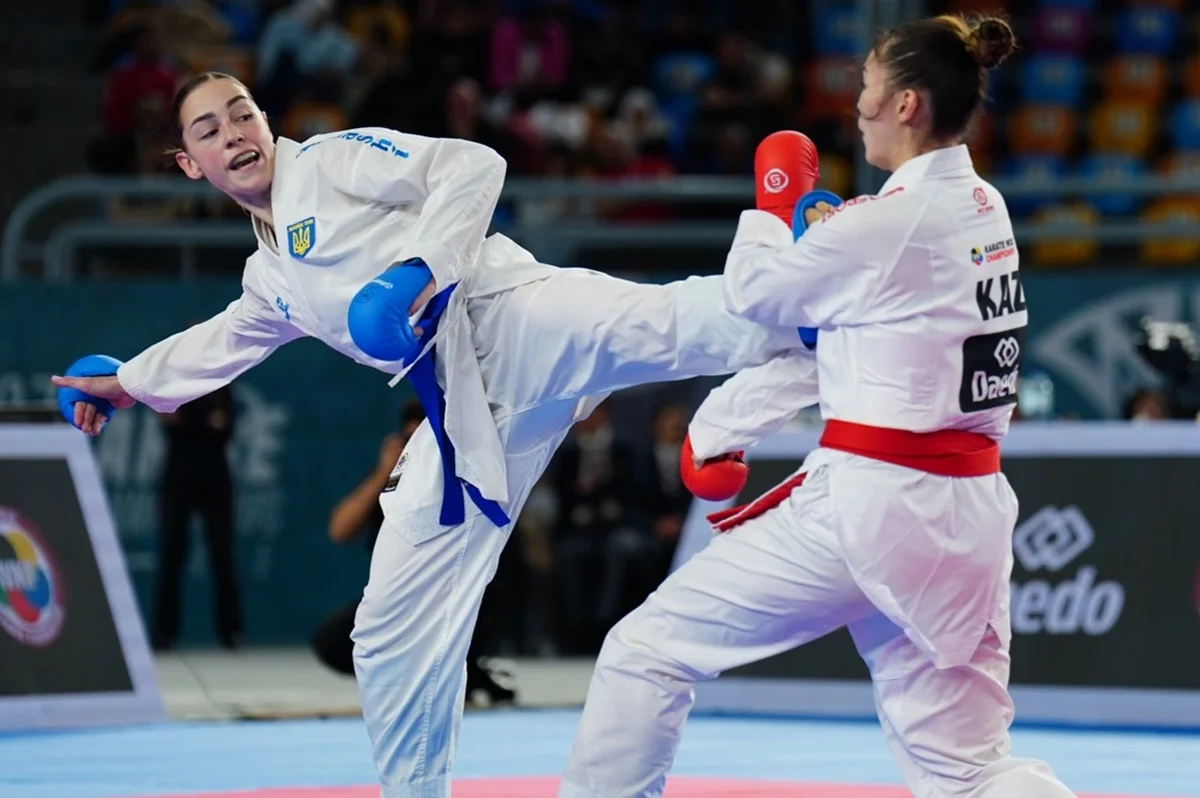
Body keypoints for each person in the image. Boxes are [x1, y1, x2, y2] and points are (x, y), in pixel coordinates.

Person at [51, 71, 802, 798]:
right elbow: (220, 342)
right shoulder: (271, 278)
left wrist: (420, 269)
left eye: (242, 112)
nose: (234, 134)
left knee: (665, 327)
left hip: (510, 310)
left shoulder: (333, 160)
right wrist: (126, 382)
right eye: (209, 129)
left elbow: (474, 164)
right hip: (463, 411)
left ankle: (799, 265)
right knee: (384, 632)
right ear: (190, 164)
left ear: (267, 120)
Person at [559, 14, 1079, 798]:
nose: (856, 106)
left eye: (866, 89)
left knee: (647, 650)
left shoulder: (895, 220)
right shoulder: (982, 209)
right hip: (964, 515)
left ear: (906, 104)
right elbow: (865, 322)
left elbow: (755, 295)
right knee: (969, 770)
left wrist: (774, 206)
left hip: (872, 507)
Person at [312, 401, 514, 705]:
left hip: (455, 595)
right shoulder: (394, 475)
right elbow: (340, 530)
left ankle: (466, 670)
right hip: (400, 596)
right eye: (410, 439)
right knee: (333, 638)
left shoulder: (470, 470)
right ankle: (399, 679)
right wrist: (384, 472)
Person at [151, 384, 240, 650]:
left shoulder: (222, 382)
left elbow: (227, 428)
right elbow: (170, 423)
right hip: (177, 480)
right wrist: (206, 422)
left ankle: (231, 632)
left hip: (215, 481)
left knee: (222, 558)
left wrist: (191, 421)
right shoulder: (173, 383)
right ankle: (163, 633)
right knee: (171, 557)